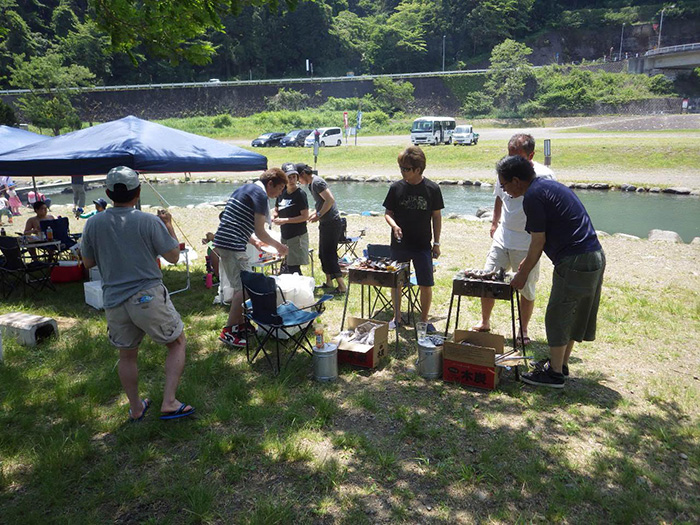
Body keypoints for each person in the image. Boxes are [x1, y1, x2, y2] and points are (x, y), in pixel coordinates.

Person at [81, 166, 194, 421]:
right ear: (138, 191)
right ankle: (169, 401)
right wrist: (168, 226)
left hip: (114, 299)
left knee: (127, 354)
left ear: (108, 192)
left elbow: (87, 263)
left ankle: (136, 408)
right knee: (176, 343)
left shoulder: (93, 223)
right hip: (147, 296)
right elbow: (174, 257)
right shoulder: (148, 221)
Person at [498, 155, 605, 389]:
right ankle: (561, 365)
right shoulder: (549, 187)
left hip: (575, 260)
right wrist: (524, 267)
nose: (504, 191)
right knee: (572, 314)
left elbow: (538, 242)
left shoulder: (533, 197)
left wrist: (522, 274)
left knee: (557, 315)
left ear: (516, 181)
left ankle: (554, 374)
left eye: (504, 185)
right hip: (593, 255)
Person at [472, 134, 555, 344]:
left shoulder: (544, 176)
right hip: (503, 236)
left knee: (526, 287)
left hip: (528, 242)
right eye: (509, 155)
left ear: (531, 155)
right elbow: (499, 196)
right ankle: (485, 321)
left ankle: (523, 329)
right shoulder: (505, 170)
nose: (511, 161)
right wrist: (494, 222)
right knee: (487, 278)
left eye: (516, 156)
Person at [216, 168, 289, 348]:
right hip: (231, 244)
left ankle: (241, 324)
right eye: (279, 189)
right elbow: (260, 230)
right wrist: (279, 246)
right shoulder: (260, 195)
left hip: (226, 241)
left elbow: (235, 219)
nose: (279, 194)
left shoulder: (246, 189)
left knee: (242, 286)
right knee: (245, 287)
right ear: (270, 183)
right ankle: (229, 330)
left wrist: (255, 242)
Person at [383, 146, 444, 332]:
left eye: (406, 168)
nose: (402, 171)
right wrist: (394, 226)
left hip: (422, 244)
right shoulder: (396, 187)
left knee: (426, 283)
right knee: (397, 282)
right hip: (400, 244)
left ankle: (424, 320)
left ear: (418, 169)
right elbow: (388, 213)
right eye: (400, 167)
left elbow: (436, 216)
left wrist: (437, 243)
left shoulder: (432, 189)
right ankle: (397, 317)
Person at [296, 163, 347, 294]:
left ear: (302, 174)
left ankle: (342, 286)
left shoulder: (317, 182)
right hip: (326, 222)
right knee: (323, 254)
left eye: (298, 178)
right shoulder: (311, 184)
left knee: (329, 254)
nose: (298, 182)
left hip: (332, 222)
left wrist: (318, 215)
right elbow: (321, 202)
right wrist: (315, 214)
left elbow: (329, 200)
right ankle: (329, 281)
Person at [273, 163, 310, 275]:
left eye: (294, 176)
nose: (292, 180)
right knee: (285, 265)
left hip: (297, 236)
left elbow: (305, 216)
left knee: (294, 267)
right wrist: (273, 216)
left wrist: (285, 220)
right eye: (289, 177)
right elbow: (276, 209)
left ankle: (301, 290)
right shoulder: (282, 192)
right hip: (285, 235)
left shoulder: (300, 194)